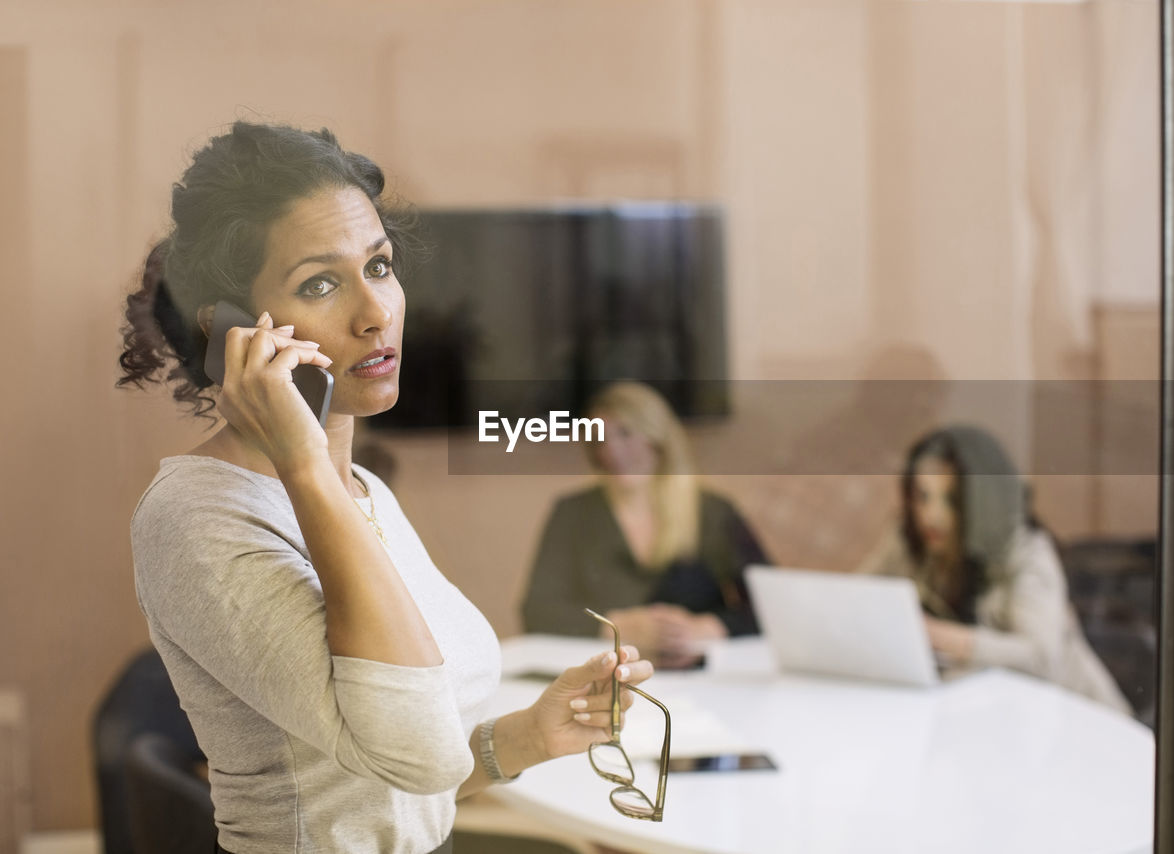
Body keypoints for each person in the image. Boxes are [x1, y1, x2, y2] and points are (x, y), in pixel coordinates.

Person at [118, 121, 653, 854]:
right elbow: (417, 753)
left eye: (378, 266)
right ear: (231, 327)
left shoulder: (361, 490)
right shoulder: (196, 515)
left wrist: (526, 736)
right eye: (320, 283)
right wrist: (306, 463)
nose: (377, 315)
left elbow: (393, 782)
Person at [856, 425, 1131, 713]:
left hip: (1074, 720)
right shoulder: (911, 541)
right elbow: (859, 596)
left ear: (984, 500)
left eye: (951, 500)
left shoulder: (1027, 553)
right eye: (922, 497)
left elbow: (1040, 660)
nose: (931, 516)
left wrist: (935, 635)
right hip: (981, 717)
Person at [521, 381, 768, 668]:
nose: (611, 450)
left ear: (658, 438)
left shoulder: (713, 512)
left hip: (702, 680)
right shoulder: (573, 513)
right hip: (607, 677)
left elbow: (770, 604)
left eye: (625, 434)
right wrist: (616, 626)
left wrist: (707, 628)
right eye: (600, 440)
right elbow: (537, 611)